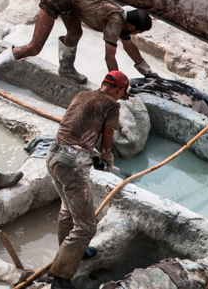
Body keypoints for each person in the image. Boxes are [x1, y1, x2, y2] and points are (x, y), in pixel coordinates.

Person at [0, 0, 155, 87]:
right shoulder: (115, 21)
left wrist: (148, 71)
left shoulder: (122, 18)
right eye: (138, 32)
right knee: (34, 47)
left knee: (75, 33)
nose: (135, 34)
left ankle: (66, 68)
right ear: (132, 27)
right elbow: (110, 58)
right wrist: (116, 84)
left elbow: (129, 46)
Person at [46, 71, 129, 289]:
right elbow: (106, 138)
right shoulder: (112, 105)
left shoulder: (82, 95)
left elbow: (76, 130)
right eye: (122, 94)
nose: (121, 98)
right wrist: (106, 157)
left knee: (68, 210)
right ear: (119, 89)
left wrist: (92, 155)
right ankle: (60, 279)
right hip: (71, 163)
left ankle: (72, 252)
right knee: (86, 227)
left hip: (53, 154)